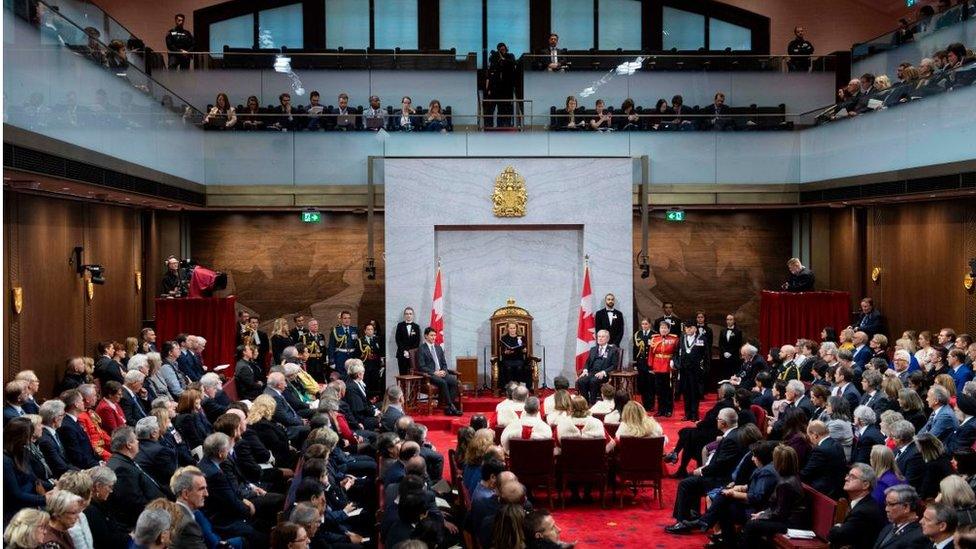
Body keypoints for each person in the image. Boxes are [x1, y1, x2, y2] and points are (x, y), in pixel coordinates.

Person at [666, 408, 746, 533]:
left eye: (718, 419)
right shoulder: (733, 434)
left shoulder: (731, 439)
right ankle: (692, 515)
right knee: (690, 479)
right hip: (721, 474)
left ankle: (682, 522)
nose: (716, 420)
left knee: (686, 483)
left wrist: (702, 470)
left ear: (723, 423)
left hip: (722, 479)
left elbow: (721, 465)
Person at [828, 463, 886, 548]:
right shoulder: (864, 503)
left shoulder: (863, 511)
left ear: (865, 485)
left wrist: (836, 527)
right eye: (848, 475)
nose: (846, 478)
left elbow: (838, 537)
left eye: (852, 477)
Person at [418, 327, 462, 416]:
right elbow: (421, 366)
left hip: (441, 373)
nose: (434, 337)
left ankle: (448, 408)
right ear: (426, 336)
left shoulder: (438, 348)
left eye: (435, 335)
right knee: (443, 382)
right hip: (430, 375)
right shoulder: (421, 349)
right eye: (431, 335)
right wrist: (434, 372)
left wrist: (444, 371)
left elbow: (444, 363)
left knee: (454, 381)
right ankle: (451, 406)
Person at [800, 420, 847, 498]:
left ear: (815, 435)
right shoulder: (837, 444)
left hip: (825, 492)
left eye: (809, 436)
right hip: (838, 488)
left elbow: (806, 473)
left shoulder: (820, 450)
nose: (810, 440)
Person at [675, 320, 707, 421]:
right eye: (687, 327)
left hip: (695, 371)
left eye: (691, 327)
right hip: (684, 371)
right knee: (686, 393)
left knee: (694, 393)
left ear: (695, 328)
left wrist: (704, 370)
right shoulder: (681, 339)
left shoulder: (701, 339)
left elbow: (706, 356)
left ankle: (694, 415)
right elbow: (676, 353)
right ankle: (687, 414)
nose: (688, 329)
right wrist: (677, 364)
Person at [576, 330, 618, 404]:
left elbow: (614, 366)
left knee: (593, 381)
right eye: (599, 336)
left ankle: (592, 403)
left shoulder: (612, 350)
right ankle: (585, 403)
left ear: (607, 339)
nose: (600, 338)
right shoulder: (593, 349)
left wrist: (604, 372)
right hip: (592, 372)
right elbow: (587, 362)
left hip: (604, 373)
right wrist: (585, 370)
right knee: (581, 381)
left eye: (603, 337)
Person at [485, 42, 518, 129]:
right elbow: (490, 71)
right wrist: (488, 88)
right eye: (500, 50)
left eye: (503, 49)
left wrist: (503, 59)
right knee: (490, 108)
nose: (502, 51)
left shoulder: (510, 56)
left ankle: (503, 126)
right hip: (495, 87)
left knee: (504, 108)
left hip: (506, 88)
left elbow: (514, 63)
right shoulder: (495, 57)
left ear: (506, 49)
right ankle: (489, 127)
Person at [328, 311, 358, 379]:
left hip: (352, 356)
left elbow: (357, 345)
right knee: (341, 376)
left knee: (352, 375)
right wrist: (331, 361)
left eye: (349, 318)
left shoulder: (355, 329)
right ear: (341, 319)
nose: (347, 320)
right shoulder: (336, 330)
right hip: (340, 356)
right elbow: (331, 346)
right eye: (345, 318)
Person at [499, 322, 529, 388]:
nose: (512, 330)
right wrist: (506, 352)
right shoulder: (504, 338)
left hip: (518, 358)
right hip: (508, 359)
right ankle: (510, 386)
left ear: (516, 328)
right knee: (508, 368)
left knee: (519, 368)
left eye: (514, 328)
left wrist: (524, 350)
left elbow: (524, 348)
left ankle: (519, 385)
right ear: (508, 329)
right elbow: (502, 351)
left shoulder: (521, 337)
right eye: (511, 328)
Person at [394, 307, 421, 376]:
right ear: (404, 315)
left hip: (412, 354)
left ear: (413, 315)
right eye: (406, 314)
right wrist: (404, 351)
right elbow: (398, 340)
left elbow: (417, 341)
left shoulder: (416, 327)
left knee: (413, 374)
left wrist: (409, 352)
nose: (408, 315)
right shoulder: (400, 325)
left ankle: (412, 387)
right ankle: (403, 387)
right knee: (402, 374)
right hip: (401, 353)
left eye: (410, 314)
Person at [718, 314, 743, 383]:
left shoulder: (738, 331)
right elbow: (720, 343)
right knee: (724, 374)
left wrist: (730, 352)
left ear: (734, 321)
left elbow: (738, 344)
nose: (729, 321)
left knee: (733, 374)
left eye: (731, 319)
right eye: (727, 319)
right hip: (724, 357)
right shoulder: (722, 331)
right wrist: (724, 352)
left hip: (734, 357)